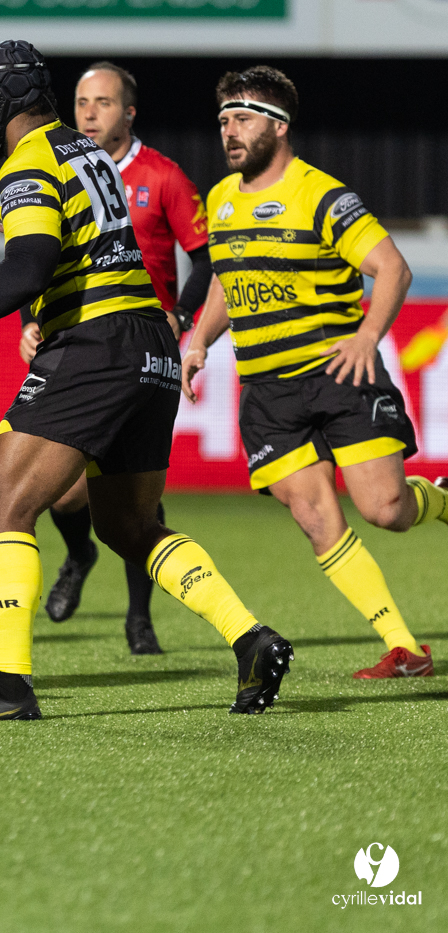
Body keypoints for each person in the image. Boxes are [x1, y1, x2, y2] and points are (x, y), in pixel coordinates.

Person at [0, 40, 293, 720]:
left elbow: (27, 270)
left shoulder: (27, 163)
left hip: (95, 346)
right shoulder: (87, 154)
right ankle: (249, 636)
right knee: (129, 524)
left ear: (0, 102)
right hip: (150, 347)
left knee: (0, 508)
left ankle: (10, 688)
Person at [181, 66, 437, 680]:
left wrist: (368, 337)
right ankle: (405, 647)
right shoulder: (219, 200)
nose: (229, 132)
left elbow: (393, 268)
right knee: (317, 518)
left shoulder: (321, 194)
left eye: (242, 119)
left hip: (337, 375)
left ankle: (441, 501)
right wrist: (199, 340)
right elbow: (224, 276)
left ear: (278, 126)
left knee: (385, 509)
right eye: (223, 121)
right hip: (267, 390)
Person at [20, 60, 213, 655]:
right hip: (77, 342)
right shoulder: (61, 168)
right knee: (65, 493)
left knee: (136, 496)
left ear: (128, 112)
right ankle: (79, 554)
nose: (89, 113)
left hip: (139, 346)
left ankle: (138, 620)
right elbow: (34, 256)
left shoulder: (164, 176)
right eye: (81, 101)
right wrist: (29, 321)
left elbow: (204, 258)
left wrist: (181, 319)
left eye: (103, 102)